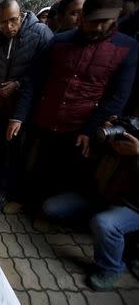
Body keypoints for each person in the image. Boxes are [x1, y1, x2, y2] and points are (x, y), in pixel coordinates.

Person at [10, 0, 138, 211]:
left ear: (115, 19)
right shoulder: (60, 42)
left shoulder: (127, 48)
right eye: (92, 21)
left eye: (103, 22)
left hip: (81, 128)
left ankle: (48, 213)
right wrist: (19, 115)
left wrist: (90, 129)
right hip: (45, 119)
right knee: (33, 165)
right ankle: (26, 203)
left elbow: (117, 97)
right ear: (82, 18)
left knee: (64, 174)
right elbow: (33, 80)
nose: (97, 27)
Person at [0, 0, 53, 213]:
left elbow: (45, 74)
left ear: (22, 15)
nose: (8, 27)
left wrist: (17, 85)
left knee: (15, 152)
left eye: (13, 21)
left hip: (23, 111)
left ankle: (6, 192)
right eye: (3, 22)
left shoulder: (41, 34)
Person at [42, 118, 139, 291]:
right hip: (100, 195)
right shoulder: (129, 125)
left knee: (105, 224)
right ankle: (108, 236)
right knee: (51, 207)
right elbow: (93, 155)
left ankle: (111, 268)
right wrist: (104, 135)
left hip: (131, 207)